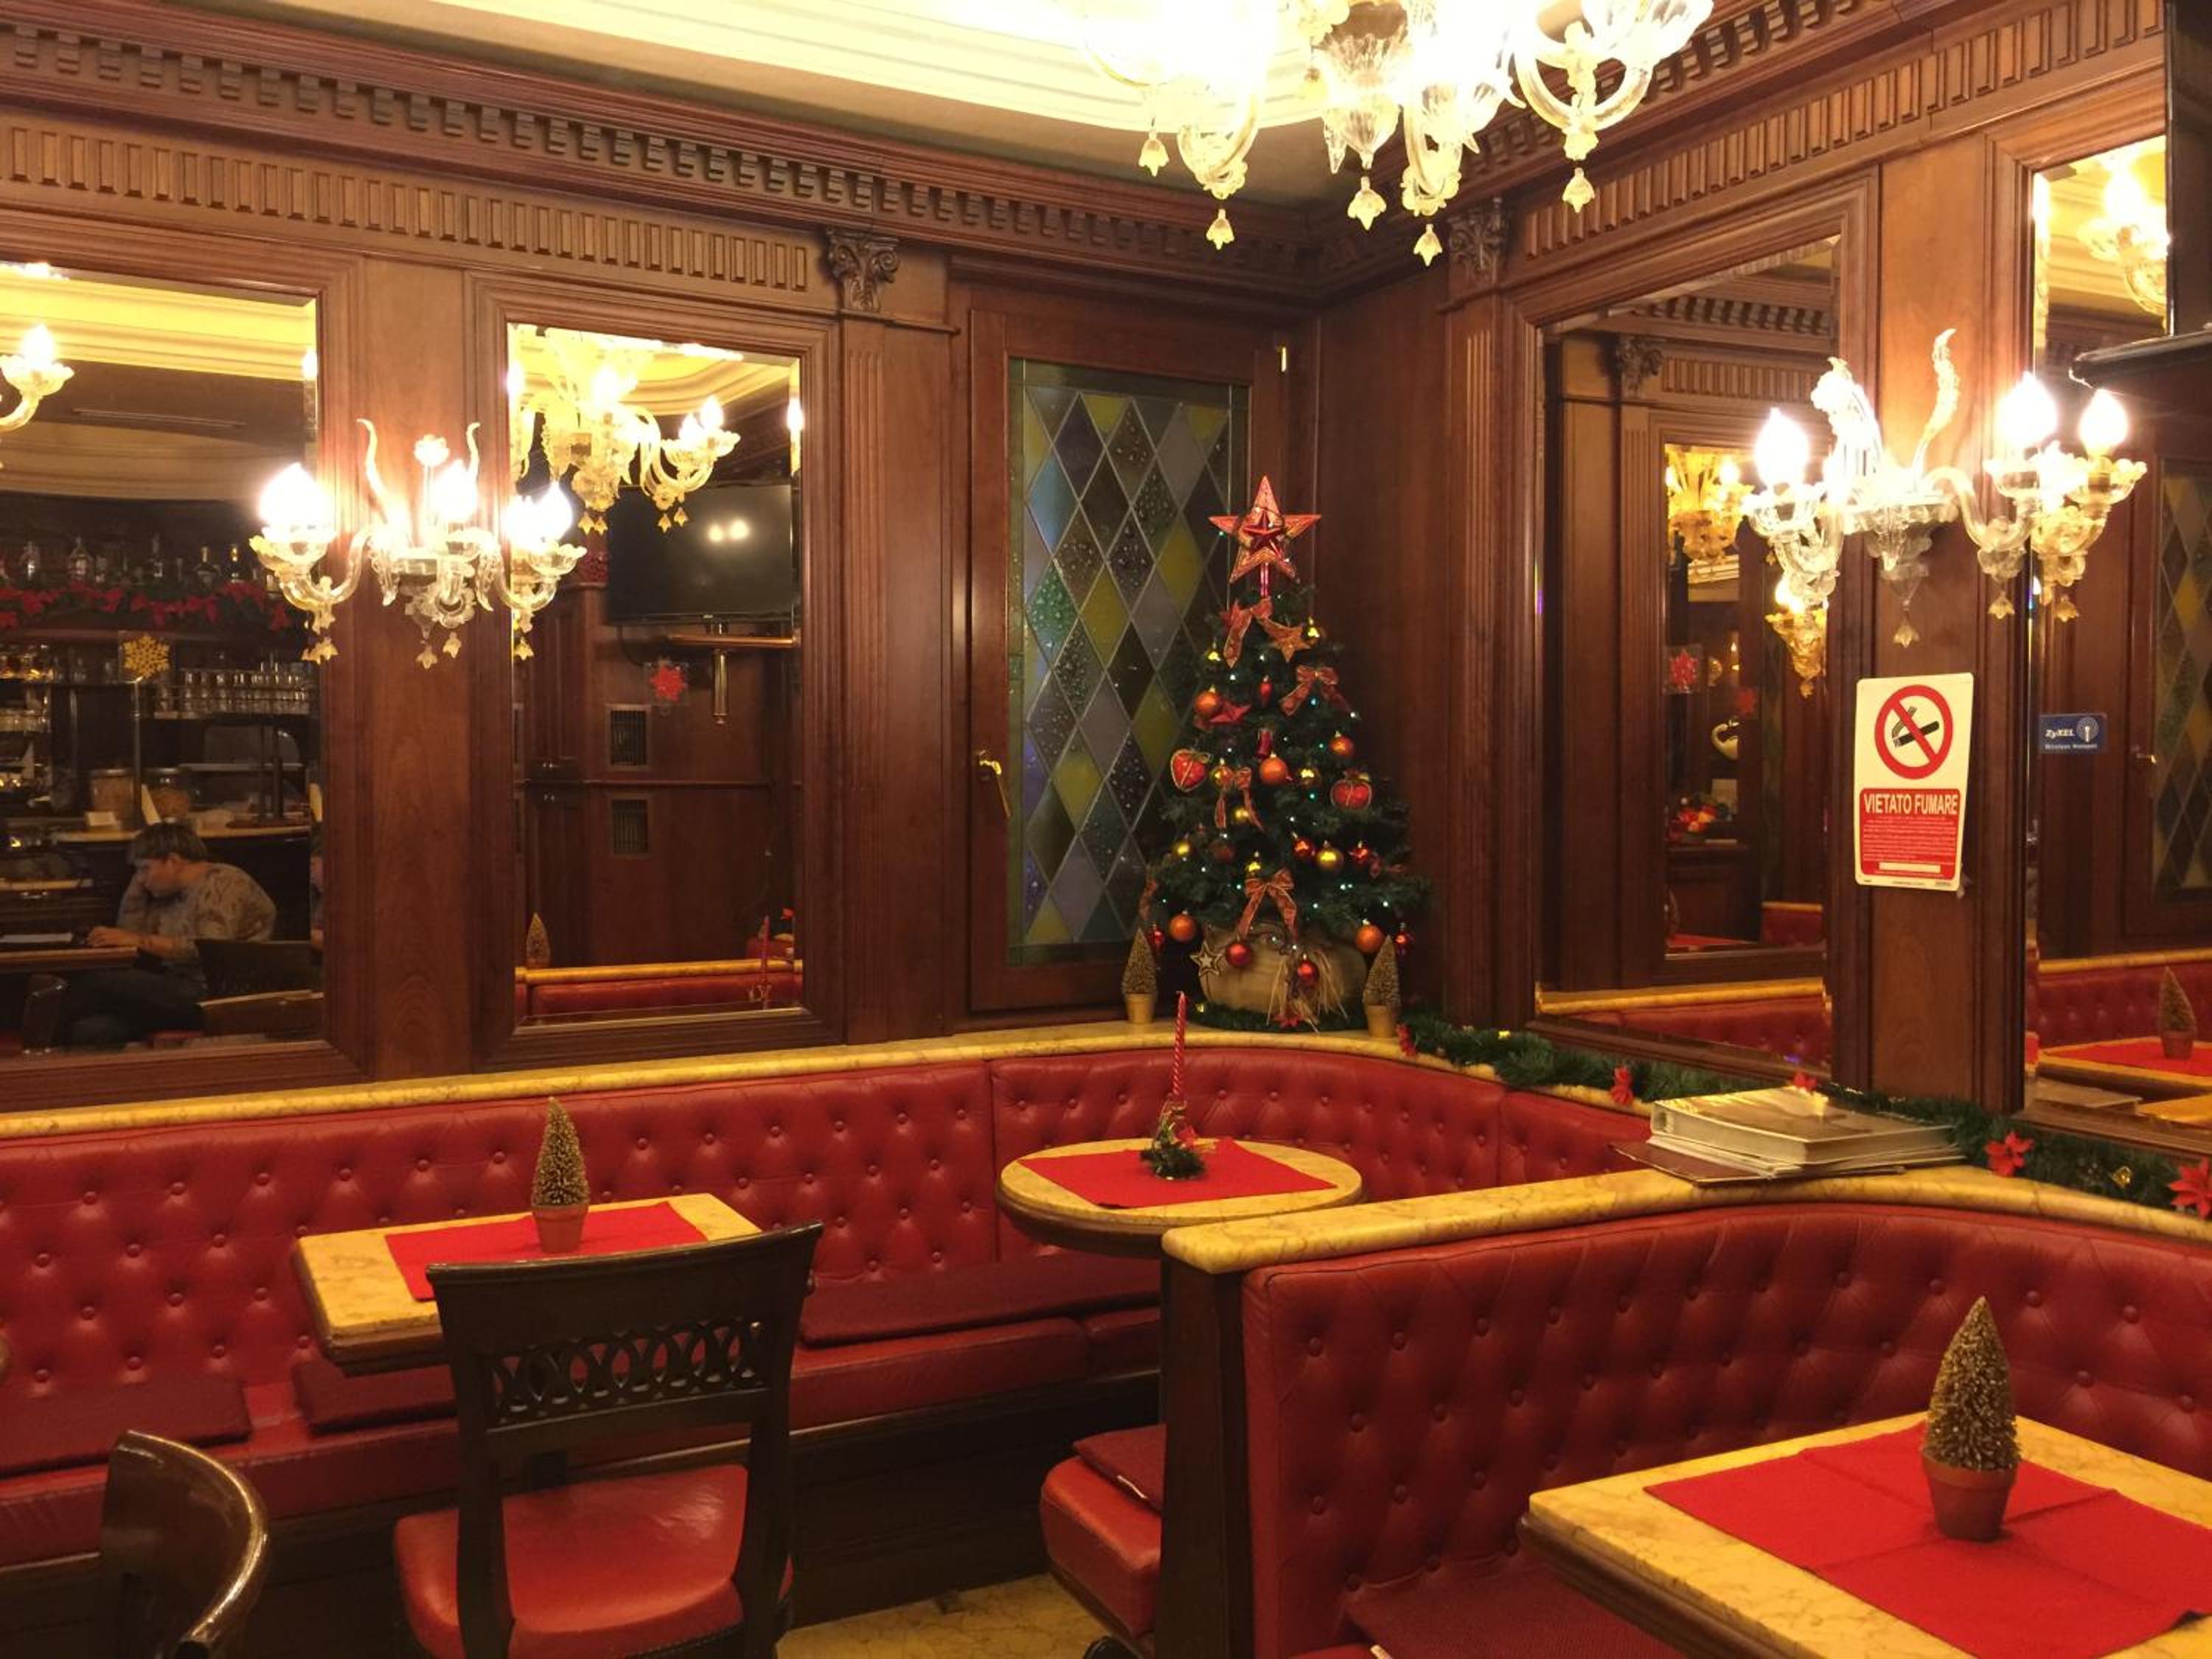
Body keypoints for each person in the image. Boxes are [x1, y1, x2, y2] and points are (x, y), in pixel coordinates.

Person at [51, 821, 276, 1047]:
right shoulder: (168, 895)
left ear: (172, 861)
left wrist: (137, 939)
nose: (141, 877)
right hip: (180, 990)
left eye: (144, 868)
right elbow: (130, 938)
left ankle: (36, 1047)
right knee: (91, 1030)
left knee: (97, 981)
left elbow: (207, 949)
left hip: (222, 995)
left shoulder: (224, 881)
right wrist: (135, 894)